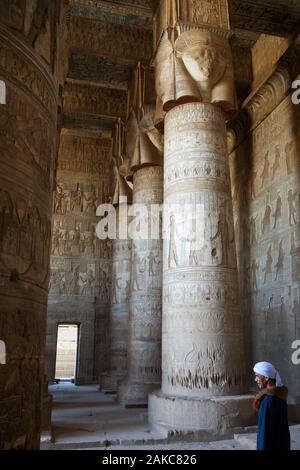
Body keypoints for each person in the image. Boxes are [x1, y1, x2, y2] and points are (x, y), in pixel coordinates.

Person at [253, 361, 290, 450]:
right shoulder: (280, 396)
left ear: (266, 378)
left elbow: (264, 435)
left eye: (257, 376)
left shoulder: (268, 401)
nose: (255, 379)